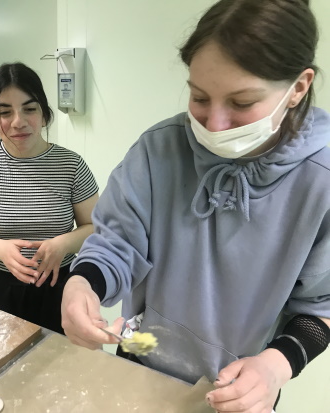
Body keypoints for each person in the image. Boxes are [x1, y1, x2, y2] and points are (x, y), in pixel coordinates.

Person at [61, 0, 330, 411]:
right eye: (199, 97)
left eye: (242, 103)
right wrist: (83, 284)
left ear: (298, 87)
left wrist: (277, 365)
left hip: (236, 388)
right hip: (143, 353)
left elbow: (320, 307)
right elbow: (116, 244)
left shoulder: (321, 180)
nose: (214, 124)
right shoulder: (159, 150)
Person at [0, 62, 99, 335]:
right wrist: (1, 250)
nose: (18, 122)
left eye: (29, 109)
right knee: (2, 357)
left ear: (44, 114)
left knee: (61, 359)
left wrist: (63, 244)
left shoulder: (71, 165)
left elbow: (95, 227)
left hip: (59, 286)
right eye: (5, 112)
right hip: (0, 287)